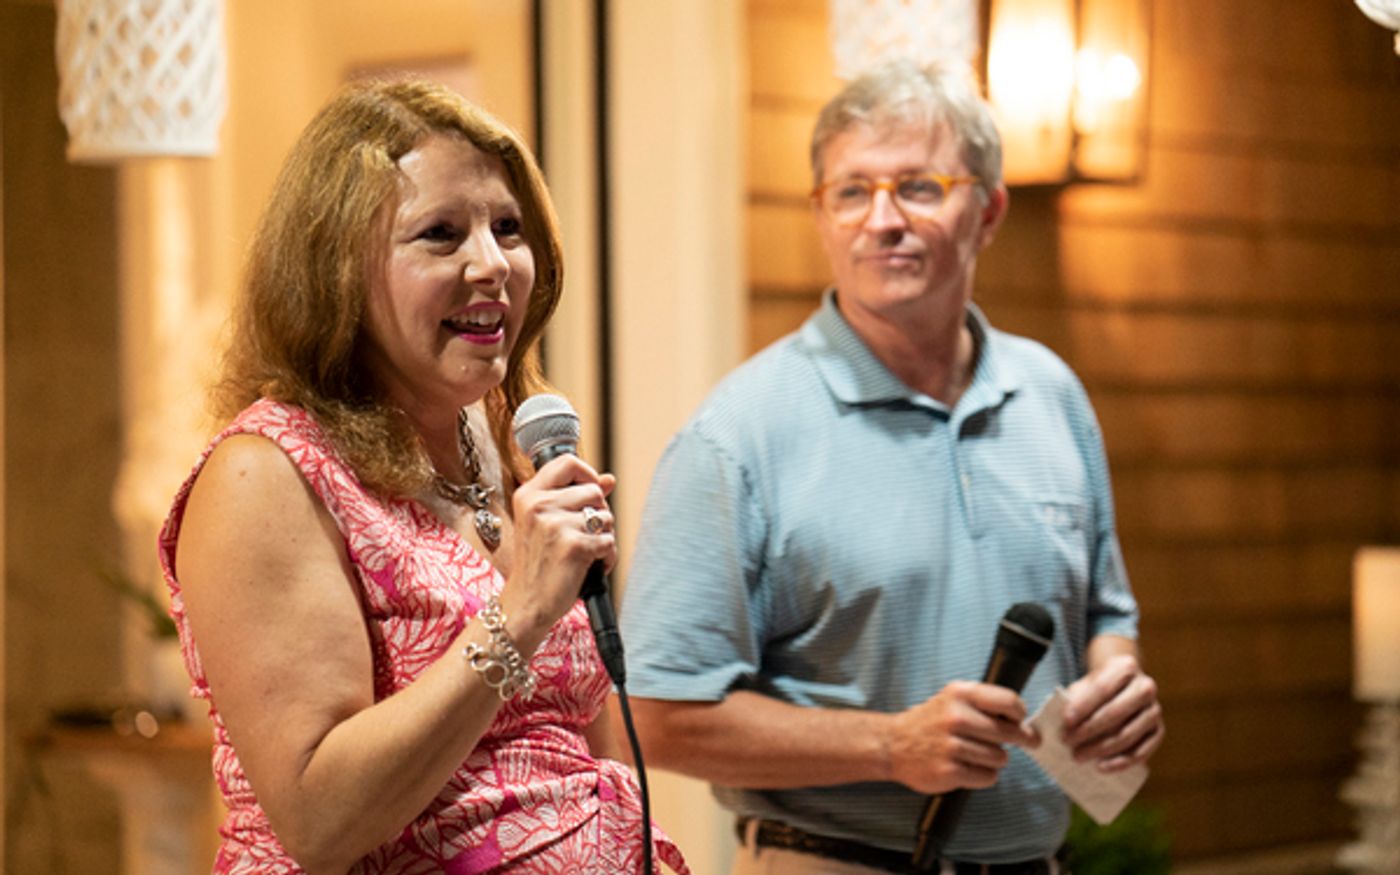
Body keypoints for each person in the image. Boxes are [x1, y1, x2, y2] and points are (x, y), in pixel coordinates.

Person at [618, 59, 1163, 874]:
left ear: (989, 212)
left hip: (1038, 861)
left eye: (918, 186)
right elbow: (658, 717)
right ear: (821, 214)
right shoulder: (738, 434)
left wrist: (1116, 691)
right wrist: (889, 744)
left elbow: (1106, 618)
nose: (883, 220)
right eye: (852, 191)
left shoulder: (1051, 394)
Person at [158, 79, 688, 874]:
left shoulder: (507, 443)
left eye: (507, 228)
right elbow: (320, 816)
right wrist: (517, 616)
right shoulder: (265, 474)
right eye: (441, 234)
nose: (492, 264)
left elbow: (585, 744)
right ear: (336, 270)